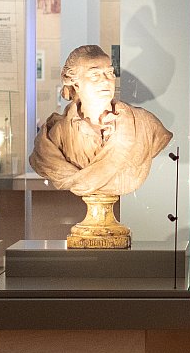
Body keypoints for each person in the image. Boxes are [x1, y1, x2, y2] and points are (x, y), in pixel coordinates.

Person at [29, 45, 173, 249]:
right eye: (95, 75)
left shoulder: (144, 125)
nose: (106, 80)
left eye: (110, 73)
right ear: (75, 83)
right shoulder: (53, 138)